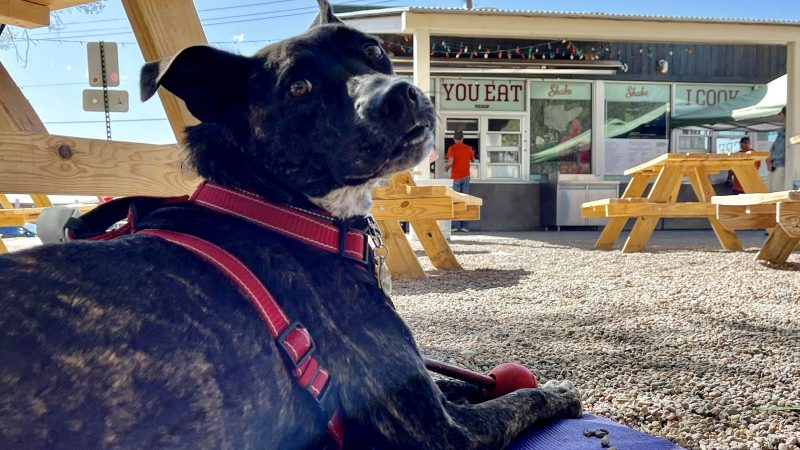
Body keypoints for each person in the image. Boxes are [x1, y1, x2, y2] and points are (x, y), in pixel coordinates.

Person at [445, 129, 475, 232]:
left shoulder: (452, 148)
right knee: (465, 201)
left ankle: (453, 226)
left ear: (454, 138)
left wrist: (446, 167)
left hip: (456, 177)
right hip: (466, 177)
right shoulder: (468, 148)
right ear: (462, 138)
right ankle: (464, 226)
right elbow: (473, 159)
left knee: (455, 201)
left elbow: (450, 162)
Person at [766, 106, 786, 192]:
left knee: (776, 191)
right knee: (768, 190)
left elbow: (783, 150)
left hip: (781, 165)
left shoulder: (791, 129)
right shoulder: (782, 130)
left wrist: (771, 158)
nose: (779, 117)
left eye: (780, 114)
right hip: (774, 164)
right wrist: (769, 159)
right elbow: (774, 147)